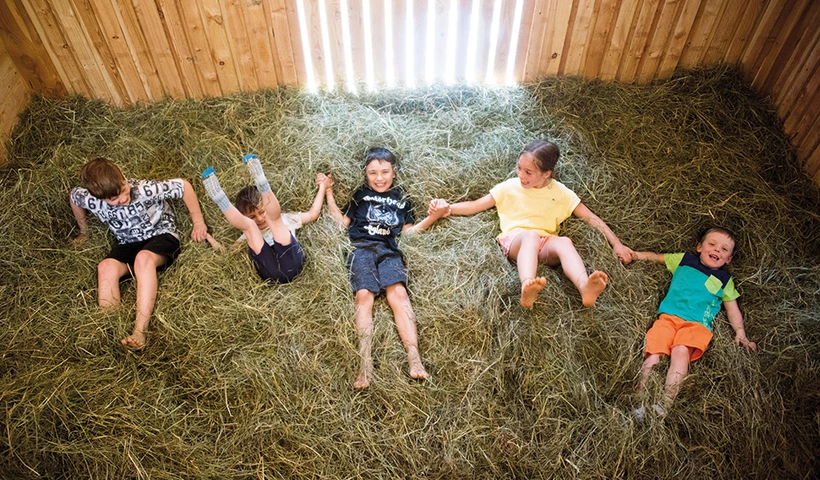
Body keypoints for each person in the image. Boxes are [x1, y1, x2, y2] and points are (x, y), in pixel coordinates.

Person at [430, 139, 634, 309]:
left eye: (529, 172)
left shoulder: (561, 193)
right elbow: (476, 205)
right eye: (519, 168)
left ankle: (584, 287)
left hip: (545, 245)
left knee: (564, 242)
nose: (521, 175)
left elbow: (591, 218)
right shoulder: (509, 187)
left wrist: (616, 243)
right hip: (517, 240)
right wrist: (448, 208)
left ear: (547, 173)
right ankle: (527, 285)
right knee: (531, 236)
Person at [325, 147, 447, 389]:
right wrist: (328, 192)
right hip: (361, 249)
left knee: (398, 294)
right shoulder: (360, 195)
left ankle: (415, 360)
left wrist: (434, 216)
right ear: (365, 174)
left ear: (394, 171)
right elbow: (341, 223)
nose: (379, 178)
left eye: (384, 172)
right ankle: (365, 365)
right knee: (363, 296)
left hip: (389, 251)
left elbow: (409, 232)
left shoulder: (402, 199)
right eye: (373, 173)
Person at [70, 157, 209, 349]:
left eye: (123, 188)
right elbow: (74, 196)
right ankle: (110, 333)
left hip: (161, 235)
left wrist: (198, 222)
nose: (124, 199)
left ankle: (139, 331)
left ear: (121, 171)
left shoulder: (144, 190)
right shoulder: (91, 200)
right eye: (114, 200)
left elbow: (183, 186)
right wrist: (83, 231)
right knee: (105, 267)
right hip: (127, 242)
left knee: (142, 260)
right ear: (98, 197)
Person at [632, 226, 756, 419]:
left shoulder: (725, 280)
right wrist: (634, 255)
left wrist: (740, 333)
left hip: (695, 325)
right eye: (712, 244)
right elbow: (656, 257)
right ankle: (639, 400)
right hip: (667, 319)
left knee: (680, 352)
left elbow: (733, 309)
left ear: (728, 259)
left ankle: (665, 403)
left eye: (724, 249)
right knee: (652, 355)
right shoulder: (684, 260)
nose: (717, 250)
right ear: (699, 247)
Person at [201, 154, 329, 283]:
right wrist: (209, 238)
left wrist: (323, 187)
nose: (260, 219)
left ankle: (262, 182)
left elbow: (313, 214)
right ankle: (220, 198)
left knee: (274, 220)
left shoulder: (288, 219)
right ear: (245, 216)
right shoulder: (248, 235)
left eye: (261, 212)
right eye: (252, 216)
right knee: (249, 227)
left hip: (291, 262)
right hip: (271, 272)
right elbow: (227, 253)